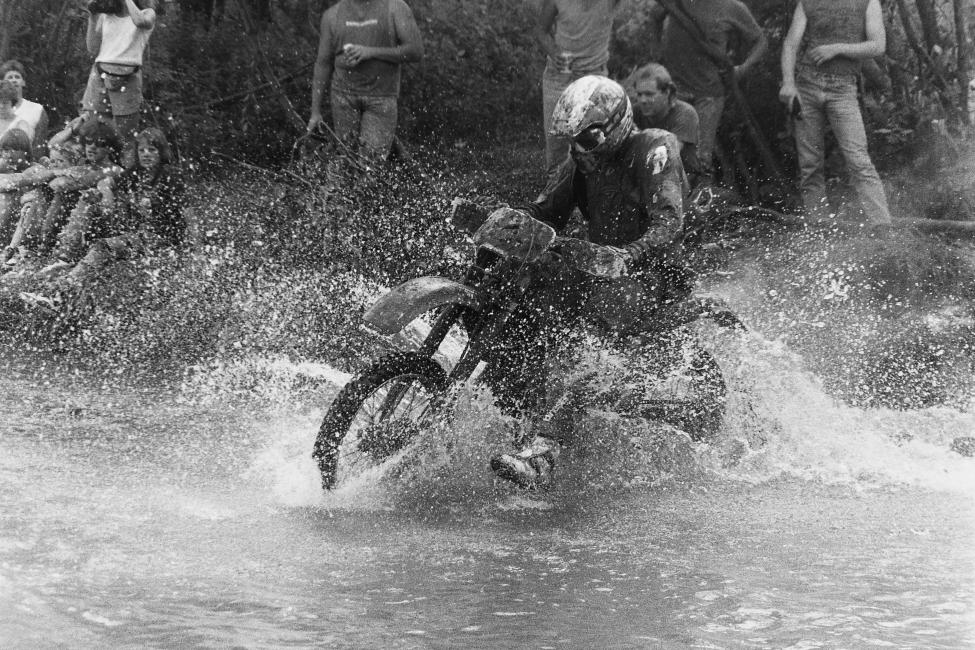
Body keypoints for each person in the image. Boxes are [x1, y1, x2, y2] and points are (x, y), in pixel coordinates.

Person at [488, 75, 688, 489]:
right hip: (599, 269)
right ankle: (515, 405)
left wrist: (631, 253)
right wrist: (507, 225)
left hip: (651, 275)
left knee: (586, 344)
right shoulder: (581, 163)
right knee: (529, 304)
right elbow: (546, 213)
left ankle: (544, 454)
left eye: (587, 138)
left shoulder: (655, 147)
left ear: (615, 125)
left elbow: (669, 222)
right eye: (573, 140)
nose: (579, 148)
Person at [779, 0, 892, 224]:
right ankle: (819, 229)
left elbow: (878, 45)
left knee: (859, 161)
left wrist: (837, 48)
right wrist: (788, 83)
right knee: (810, 166)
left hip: (843, 90)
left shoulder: (868, 2)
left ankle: (883, 229)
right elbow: (790, 44)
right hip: (806, 86)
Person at [648, 0, 767, 177]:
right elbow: (655, 16)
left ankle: (698, 193)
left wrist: (742, 70)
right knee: (664, 154)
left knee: (699, 160)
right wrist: (656, 52)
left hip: (708, 95)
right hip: (674, 90)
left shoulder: (731, 7)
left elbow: (760, 41)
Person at [307, 0, 424, 165]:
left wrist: (371, 52)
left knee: (370, 164)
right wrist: (315, 112)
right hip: (343, 98)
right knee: (345, 161)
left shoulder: (395, 7)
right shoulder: (332, 15)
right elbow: (323, 63)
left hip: (381, 98)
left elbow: (415, 51)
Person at [535, 0, 620, 179]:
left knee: (594, 140)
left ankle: (594, 188)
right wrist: (553, 52)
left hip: (594, 77)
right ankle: (555, 188)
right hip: (559, 77)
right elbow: (541, 31)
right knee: (557, 141)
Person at [82, 0, 157, 169]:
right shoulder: (106, 16)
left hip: (128, 77)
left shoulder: (147, 13)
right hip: (100, 74)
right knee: (95, 132)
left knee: (125, 137)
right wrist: (93, 17)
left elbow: (139, 21)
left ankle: (125, 176)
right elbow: (92, 48)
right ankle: (96, 174)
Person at [625, 62, 703, 187]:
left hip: (686, 181)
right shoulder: (635, 112)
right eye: (639, 94)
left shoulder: (685, 113)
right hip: (648, 178)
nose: (643, 100)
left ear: (666, 93)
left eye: (649, 94)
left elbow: (667, 155)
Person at [0, 60, 50, 159]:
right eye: (10, 77)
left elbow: (39, 146)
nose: (14, 80)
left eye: (17, 77)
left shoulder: (37, 109)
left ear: (23, 82)